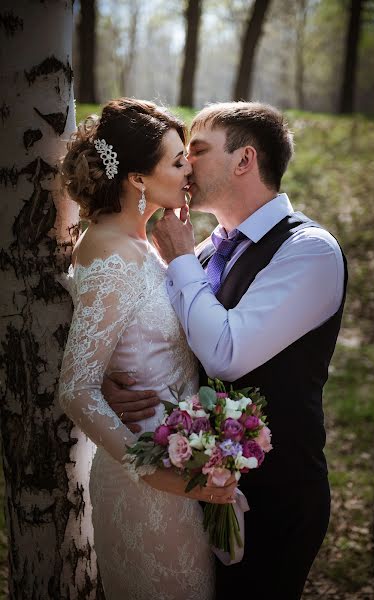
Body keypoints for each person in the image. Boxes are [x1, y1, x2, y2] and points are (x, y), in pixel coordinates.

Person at [105, 101, 347, 599]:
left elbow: (225, 352)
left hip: (276, 499)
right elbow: (169, 338)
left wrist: (178, 259)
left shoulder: (309, 251)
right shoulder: (208, 250)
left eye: (198, 150)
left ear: (245, 161)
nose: (185, 163)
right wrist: (113, 375)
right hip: (196, 486)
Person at [58, 97, 237, 600]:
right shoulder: (113, 254)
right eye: (178, 161)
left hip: (179, 467)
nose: (190, 171)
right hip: (148, 483)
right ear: (137, 178)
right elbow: (76, 388)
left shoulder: (140, 244)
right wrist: (155, 474)